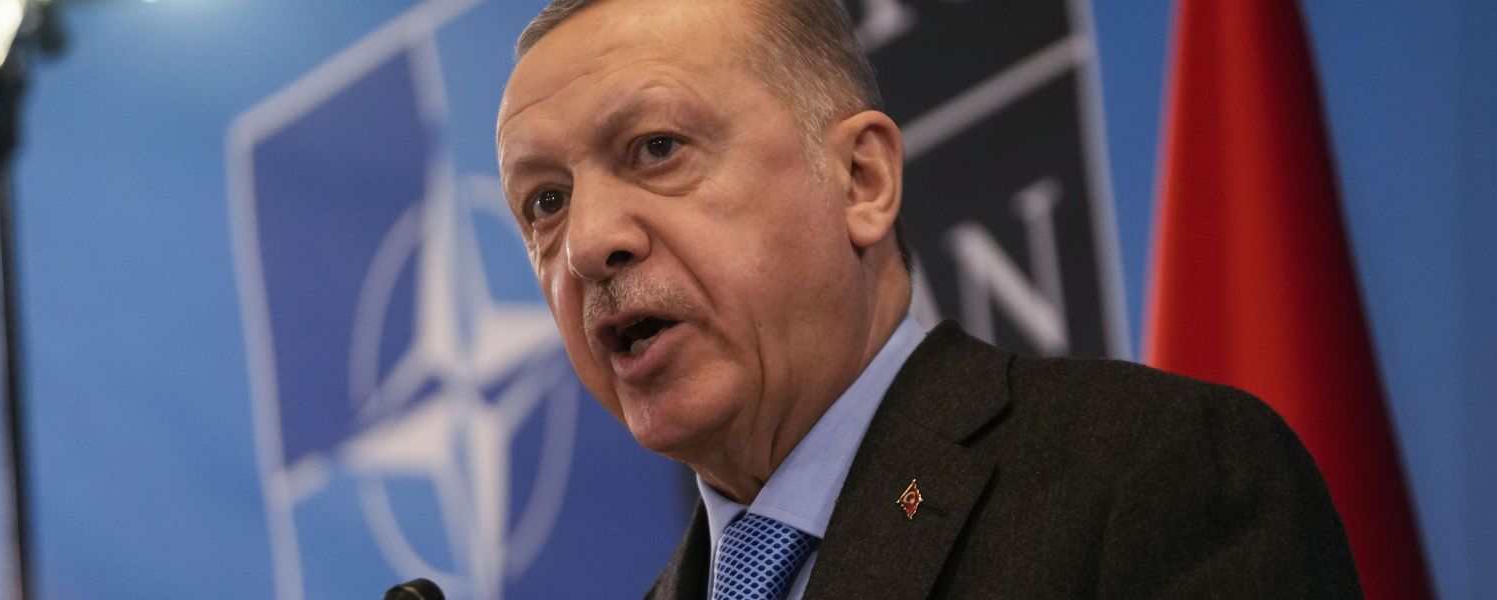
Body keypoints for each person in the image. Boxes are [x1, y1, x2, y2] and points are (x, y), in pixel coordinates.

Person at [494, 0, 1361, 597]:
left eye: (654, 148)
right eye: (544, 201)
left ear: (861, 179)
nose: (586, 243)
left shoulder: (1153, 474)